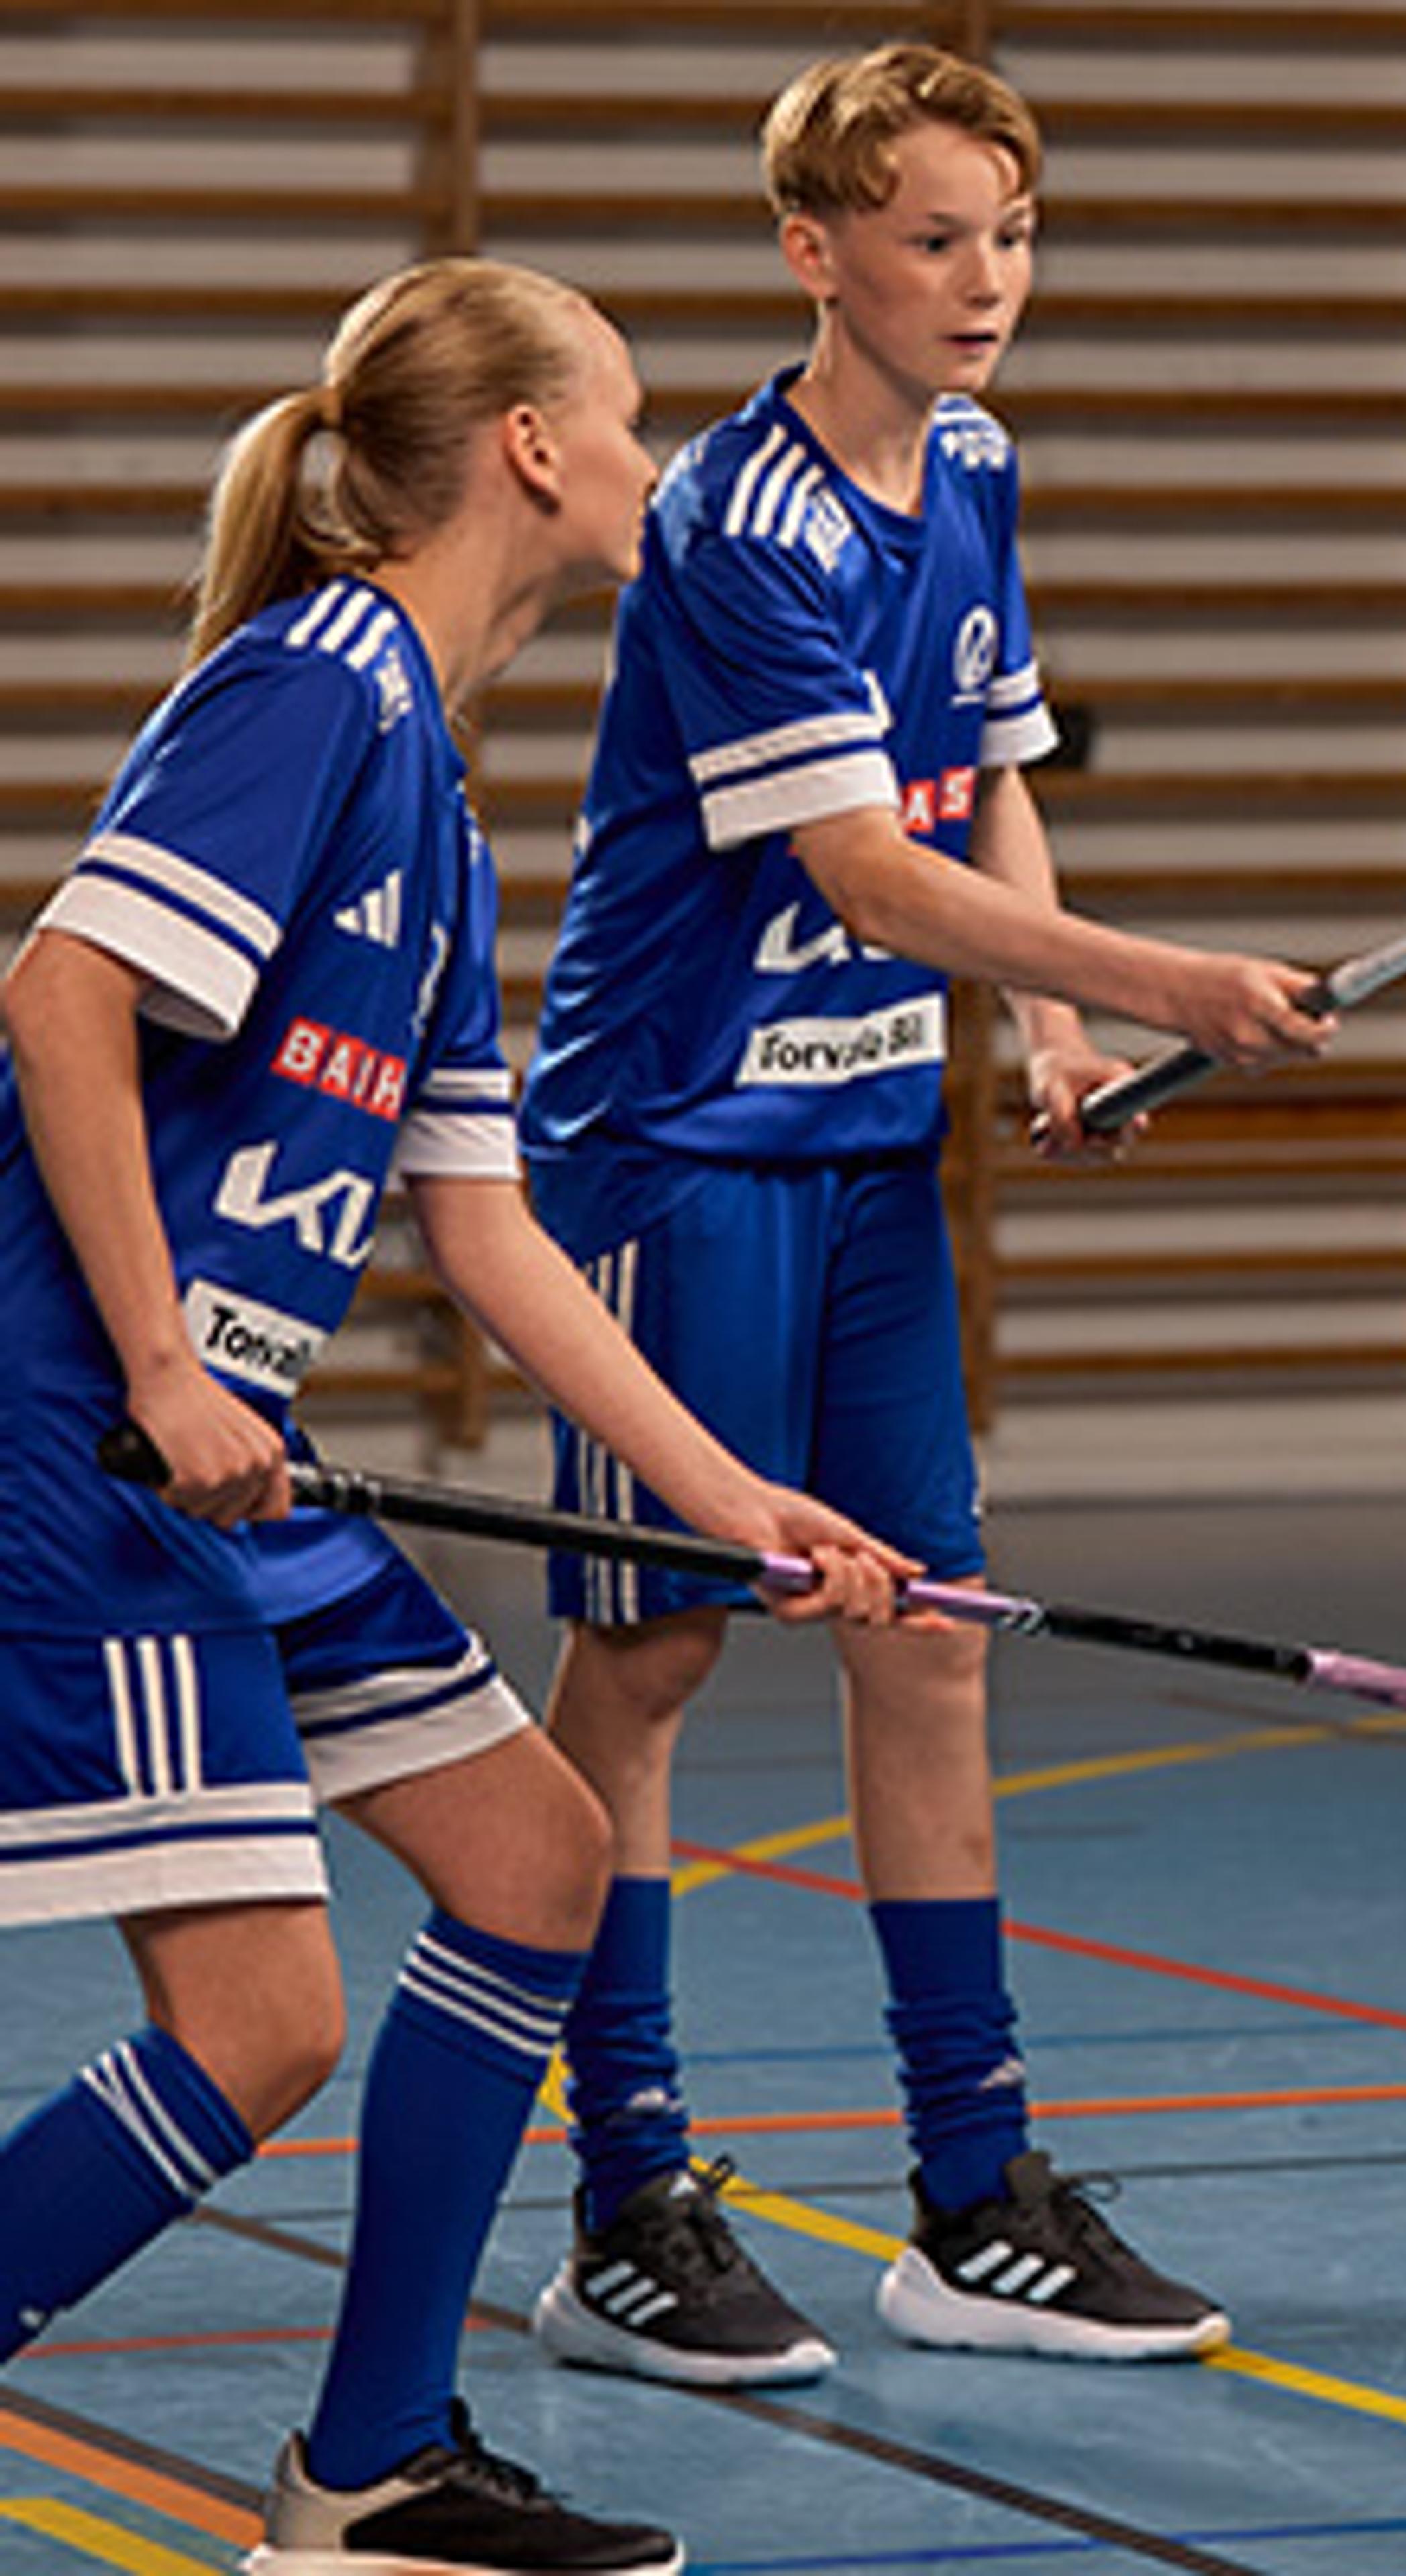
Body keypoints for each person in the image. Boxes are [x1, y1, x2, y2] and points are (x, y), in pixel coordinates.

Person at [0, 258, 913, 2575]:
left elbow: (492, 1237)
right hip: (85, 1437)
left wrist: (736, 1503)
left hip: (230, 1456)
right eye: (617, 413)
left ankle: (374, 2470)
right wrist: (159, 1359)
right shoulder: (311, 685)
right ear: (525, 447)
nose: (645, 453)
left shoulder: (444, 788)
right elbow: (64, 994)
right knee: (260, 2022)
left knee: (535, 1856)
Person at [512, 42, 1333, 2386]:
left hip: (871, 1137)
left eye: (1013, 236)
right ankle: (627, 2197)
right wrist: (1164, 979)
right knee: (657, 1660)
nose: (986, 285)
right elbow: (854, 864)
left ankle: (974, 2191)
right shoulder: (737, 530)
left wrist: (1050, 1039)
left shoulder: (971, 466)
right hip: (676, 1140)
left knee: (932, 1633)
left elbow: (980, 789)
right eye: (936, 240)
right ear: (817, 254)